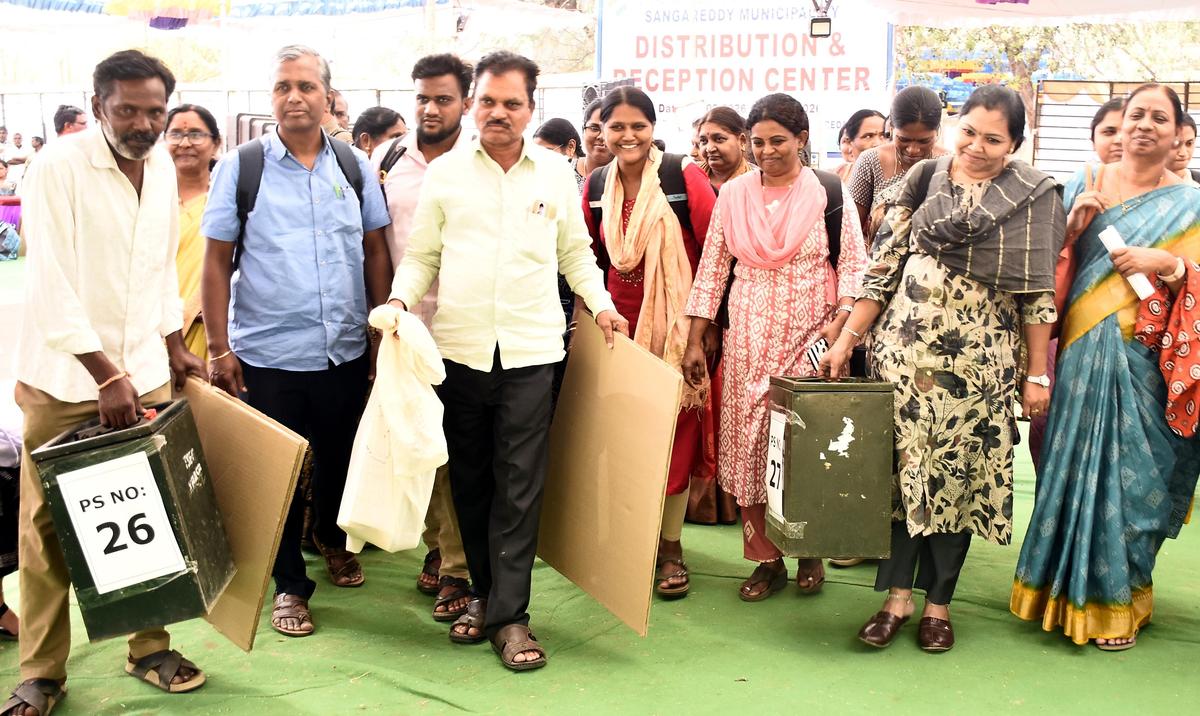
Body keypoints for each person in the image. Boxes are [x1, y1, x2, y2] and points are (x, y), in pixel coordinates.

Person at [388, 50, 626, 671]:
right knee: (471, 481)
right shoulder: (445, 175)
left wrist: (601, 307)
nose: (498, 113)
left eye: (512, 103)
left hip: (531, 353)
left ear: (530, 109)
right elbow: (421, 258)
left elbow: (577, 255)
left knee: (520, 486)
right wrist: (397, 300)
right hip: (459, 351)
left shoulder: (553, 174)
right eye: (488, 101)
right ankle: (486, 597)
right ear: (472, 103)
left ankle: (511, 618)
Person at [3, 49, 209, 716]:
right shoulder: (57, 168)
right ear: (98, 107)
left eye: (155, 111)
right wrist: (105, 373)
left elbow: (155, 274)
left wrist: (174, 345)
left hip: (143, 375)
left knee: (143, 518)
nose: (144, 123)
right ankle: (41, 671)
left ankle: (148, 647)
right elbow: (49, 282)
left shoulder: (158, 171)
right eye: (128, 110)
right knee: (45, 529)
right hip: (65, 381)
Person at [822, 84, 1064, 653]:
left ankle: (938, 605)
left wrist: (1036, 374)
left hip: (979, 371)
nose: (977, 146)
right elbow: (881, 271)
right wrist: (847, 340)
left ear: (1015, 144)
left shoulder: (1032, 197)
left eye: (993, 138)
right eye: (970, 132)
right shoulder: (924, 178)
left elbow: (1037, 296)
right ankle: (895, 599)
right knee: (898, 483)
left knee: (957, 482)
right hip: (901, 362)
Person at [200, 44, 391, 638]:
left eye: (306, 86)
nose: (294, 97)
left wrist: (381, 333)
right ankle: (289, 584)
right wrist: (220, 348)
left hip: (343, 351)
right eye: (283, 86)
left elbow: (376, 249)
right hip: (268, 355)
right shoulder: (244, 166)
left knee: (337, 457)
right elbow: (216, 262)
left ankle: (333, 541)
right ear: (271, 96)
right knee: (278, 471)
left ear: (327, 95)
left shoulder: (353, 167)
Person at [1011, 83, 1200, 651]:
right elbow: (1039, 267)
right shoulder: (1085, 183)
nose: (1144, 126)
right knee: (1071, 476)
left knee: (1141, 482)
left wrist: (1169, 263)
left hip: (1149, 363)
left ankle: (1124, 595)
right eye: (1136, 114)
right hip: (1083, 354)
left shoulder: (1192, 204)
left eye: (1158, 118)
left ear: (1175, 133)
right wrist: (1071, 226)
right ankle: (1061, 593)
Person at [683, 93, 867, 600]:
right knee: (751, 446)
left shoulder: (829, 193)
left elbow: (854, 265)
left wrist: (843, 326)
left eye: (778, 141)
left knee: (802, 446)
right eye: (758, 142)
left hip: (811, 339)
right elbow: (713, 271)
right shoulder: (734, 196)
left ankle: (809, 552)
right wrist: (695, 339)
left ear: (802, 139)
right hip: (746, 343)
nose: (766, 152)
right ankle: (766, 561)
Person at [582, 86, 716, 600]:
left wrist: (699, 337)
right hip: (616, 331)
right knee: (621, 436)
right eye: (615, 126)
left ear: (653, 129)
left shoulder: (682, 177)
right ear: (601, 131)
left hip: (678, 332)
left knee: (675, 436)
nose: (627, 135)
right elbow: (589, 257)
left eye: (638, 125)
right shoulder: (596, 185)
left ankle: (671, 546)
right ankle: (630, 542)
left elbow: (712, 256)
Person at [370, 52, 475, 624]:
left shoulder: (481, 161)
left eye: (443, 98)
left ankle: (458, 568)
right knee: (421, 446)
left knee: (456, 451)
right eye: (423, 98)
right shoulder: (391, 161)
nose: (431, 109)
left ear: (464, 101)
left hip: (464, 332)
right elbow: (381, 247)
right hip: (407, 330)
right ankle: (439, 546)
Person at [848, 86, 947, 243]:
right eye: (904, 139)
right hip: (879, 264)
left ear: (937, 132)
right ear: (891, 128)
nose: (913, 150)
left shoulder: (949, 164)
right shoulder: (871, 161)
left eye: (924, 141)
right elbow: (851, 231)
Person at [165, 103, 220, 360]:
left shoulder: (228, 200)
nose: (185, 143)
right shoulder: (145, 200)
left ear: (216, 143)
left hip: (212, 332)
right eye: (175, 134)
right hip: (154, 334)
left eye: (196, 134)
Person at [697, 106, 751, 192]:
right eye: (703, 141)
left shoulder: (759, 182)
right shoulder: (688, 176)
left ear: (742, 141)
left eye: (719, 139)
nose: (709, 148)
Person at [533, 118, 586, 192]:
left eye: (547, 151)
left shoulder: (584, 166)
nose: (541, 157)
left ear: (571, 146)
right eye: (537, 153)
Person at [835, 109, 887, 182]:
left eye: (884, 135)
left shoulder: (901, 176)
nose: (878, 144)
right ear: (851, 142)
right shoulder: (836, 176)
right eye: (868, 136)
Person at [580, 99, 613, 180]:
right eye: (594, 128)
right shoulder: (563, 171)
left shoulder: (631, 179)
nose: (602, 136)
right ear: (583, 130)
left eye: (610, 129)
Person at [1089, 97, 1125, 165]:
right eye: (1109, 132)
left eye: (1127, 132)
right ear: (1093, 142)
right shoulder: (1084, 175)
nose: (1119, 140)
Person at [1168, 113, 1197, 185]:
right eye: (1174, 144)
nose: (1183, 153)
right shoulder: (1140, 187)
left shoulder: (1197, 181)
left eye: (1189, 143)